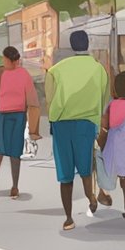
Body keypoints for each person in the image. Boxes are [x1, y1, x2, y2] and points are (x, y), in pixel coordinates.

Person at [46, 30, 110, 231]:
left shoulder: (56, 70)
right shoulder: (99, 69)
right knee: (86, 166)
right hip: (87, 122)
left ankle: (68, 218)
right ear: (88, 43)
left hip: (61, 122)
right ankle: (91, 197)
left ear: (71, 46)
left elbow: (49, 99)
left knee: (65, 173)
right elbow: (104, 99)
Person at [0, 46, 41, 199]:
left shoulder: (23, 74)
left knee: (15, 152)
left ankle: (15, 186)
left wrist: (33, 126)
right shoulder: (0, 72)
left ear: (13, 61)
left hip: (18, 116)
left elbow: (32, 98)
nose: (4, 62)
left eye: (6, 59)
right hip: (2, 115)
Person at [100, 72, 125, 224]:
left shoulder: (111, 105)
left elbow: (105, 124)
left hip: (113, 144)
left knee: (110, 173)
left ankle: (102, 193)